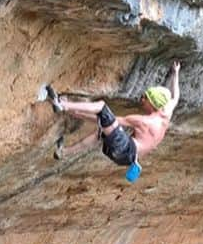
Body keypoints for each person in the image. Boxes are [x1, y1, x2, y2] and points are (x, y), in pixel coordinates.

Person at [46, 61, 181, 169]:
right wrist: (176, 73)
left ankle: (62, 104)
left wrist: (76, 112)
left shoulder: (143, 121)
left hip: (124, 148)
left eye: (145, 98)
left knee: (101, 107)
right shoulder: (165, 113)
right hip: (128, 159)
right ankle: (63, 152)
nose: (141, 100)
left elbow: (105, 119)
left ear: (152, 103)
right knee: (101, 133)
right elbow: (175, 97)